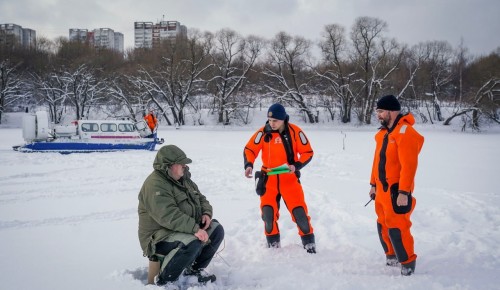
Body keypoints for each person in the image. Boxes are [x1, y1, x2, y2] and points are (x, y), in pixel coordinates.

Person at [138, 145, 225, 288]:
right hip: (159, 237)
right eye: (181, 163)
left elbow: (202, 199)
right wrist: (194, 229)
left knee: (216, 229)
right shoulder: (155, 185)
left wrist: (206, 214)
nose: (185, 166)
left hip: (182, 229)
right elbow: (168, 215)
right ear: (169, 166)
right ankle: (164, 280)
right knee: (192, 241)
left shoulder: (183, 179)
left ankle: (193, 271)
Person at [243, 103, 316, 254]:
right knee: (268, 214)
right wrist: (249, 164)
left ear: (283, 119)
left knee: (300, 213)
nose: (272, 123)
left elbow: (307, 152)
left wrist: (296, 165)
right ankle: (273, 245)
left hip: (289, 179)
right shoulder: (262, 133)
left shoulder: (295, 131)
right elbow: (250, 149)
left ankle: (309, 243)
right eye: (270, 120)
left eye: (275, 120)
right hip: (268, 180)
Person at [369, 95, 424, 276]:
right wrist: (373, 184)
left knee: (398, 227)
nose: (378, 115)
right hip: (381, 191)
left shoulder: (405, 132)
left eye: (381, 111)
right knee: (383, 225)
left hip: (396, 192)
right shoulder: (383, 134)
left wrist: (403, 191)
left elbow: (409, 166)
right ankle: (391, 255)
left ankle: (408, 262)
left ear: (392, 111)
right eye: (377, 111)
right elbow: (376, 162)